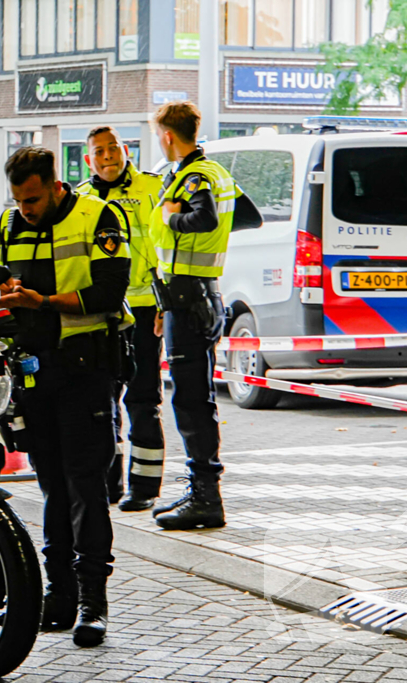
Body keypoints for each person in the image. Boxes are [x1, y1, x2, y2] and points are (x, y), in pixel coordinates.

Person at [0, 146, 130, 648]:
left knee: (85, 486)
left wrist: (42, 302)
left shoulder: (99, 215)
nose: (25, 209)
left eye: (32, 199)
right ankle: (60, 595)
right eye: (19, 200)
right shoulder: (11, 222)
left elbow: (110, 291)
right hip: (34, 372)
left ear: (55, 186)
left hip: (85, 368)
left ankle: (93, 602)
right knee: (51, 484)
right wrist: (1, 292)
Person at [149, 101, 259, 531]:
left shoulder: (193, 177)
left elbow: (206, 216)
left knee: (190, 400)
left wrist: (172, 217)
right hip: (199, 295)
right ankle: (200, 488)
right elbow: (247, 216)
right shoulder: (218, 173)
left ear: (168, 136)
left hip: (190, 297)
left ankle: (206, 497)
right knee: (196, 397)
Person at [77, 125, 167, 513]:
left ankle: (145, 486)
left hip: (145, 307)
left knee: (143, 398)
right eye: (99, 151)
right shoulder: (78, 198)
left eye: (113, 148)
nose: (108, 156)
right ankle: (108, 481)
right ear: (88, 159)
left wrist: (166, 303)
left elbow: (168, 245)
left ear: (126, 150)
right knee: (101, 399)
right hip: (101, 313)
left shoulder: (151, 188)